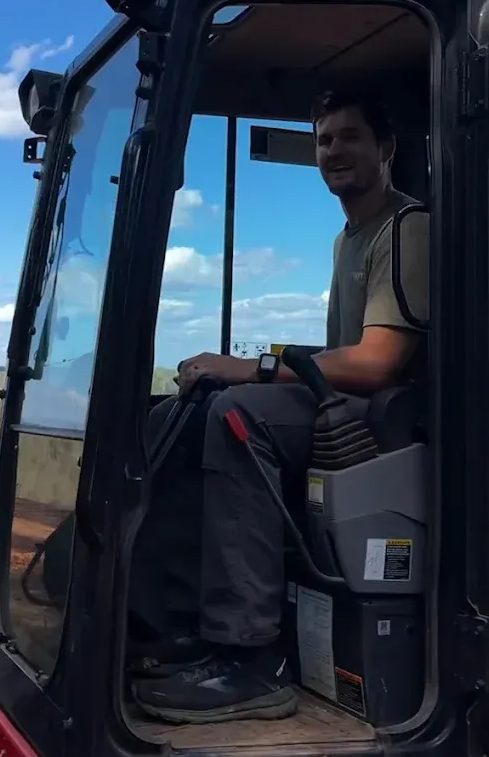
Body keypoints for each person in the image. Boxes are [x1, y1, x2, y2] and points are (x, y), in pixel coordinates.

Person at [127, 87, 430, 725]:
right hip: (346, 400)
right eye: (324, 141)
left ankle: (252, 662)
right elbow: (340, 353)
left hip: (387, 418)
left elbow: (377, 361)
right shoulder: (349, 239)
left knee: (240, 416)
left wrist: (258, 368)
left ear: (387, 148)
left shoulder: (408, 229)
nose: (334, 152)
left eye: (350, 137)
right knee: (172, 413)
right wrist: (244, 365)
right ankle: (179, 627)